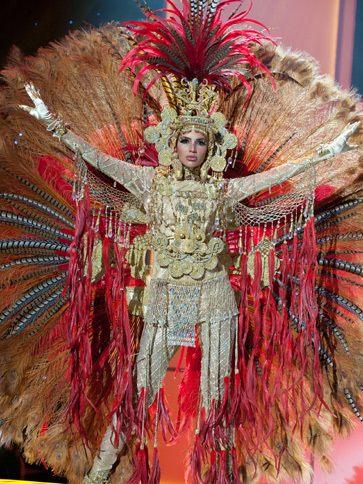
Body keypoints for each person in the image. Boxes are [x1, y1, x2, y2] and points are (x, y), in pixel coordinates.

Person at [0, 1, 362, 483]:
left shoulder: (224, 191)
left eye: (200, 141)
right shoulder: (150, 185)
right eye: (185, 140)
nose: (192, 148)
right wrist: (54, 125)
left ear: (211, 148)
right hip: (164, 297)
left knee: (218, 403)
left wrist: (326, 155)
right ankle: (100, 473)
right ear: (173, 143)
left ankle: (220, 476)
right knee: (136, 396)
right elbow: (98, 162)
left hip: (216, 301)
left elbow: (276, 182)